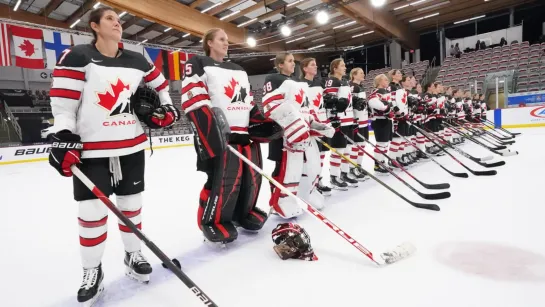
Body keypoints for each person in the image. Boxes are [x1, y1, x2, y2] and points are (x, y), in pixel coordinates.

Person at [47, 7, 180, 305]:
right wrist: (64, 134)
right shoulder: (77, 57)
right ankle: (92, 271)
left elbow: (162, 88)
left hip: (131, 148)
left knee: (132, 207)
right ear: (94, 26)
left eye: (117, 19)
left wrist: (168, 108)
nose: (116, 22)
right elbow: (64, 105)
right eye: (109, 18)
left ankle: (133, 256)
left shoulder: (137, 60)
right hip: (92, 153)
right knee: (91, 215)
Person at [181, 28, 272, 244]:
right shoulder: (198, 63)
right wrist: (211, 130)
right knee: (219, 180)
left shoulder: (239, 69)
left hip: (242, 135)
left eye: (227, 39)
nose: (226, 43)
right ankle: (211, 220)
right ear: (209, 42)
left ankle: (243, 212)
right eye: (222, 39)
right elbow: (194, 96)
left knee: (249, 178)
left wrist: (261, 122)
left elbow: (247, 101)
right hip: (217, 134)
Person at [263, 53, 317, 218]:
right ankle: (276, 201)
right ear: (280, 64)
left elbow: (303, 107)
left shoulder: (296, 83)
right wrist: (290, 124)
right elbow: (270, 107)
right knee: (280, 168)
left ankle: (290, 198)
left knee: (294, 169)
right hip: (281, 132)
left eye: (294, 61)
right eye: (290, 61)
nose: (294, 64)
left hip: (299, 134)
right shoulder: (274, 79)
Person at [298, 58, 335, 206]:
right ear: (305, 68)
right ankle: (312, 183)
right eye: (312, 65)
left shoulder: (320, 82)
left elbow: (322, 102)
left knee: (321, 154)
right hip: (311, 124)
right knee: (310, 156)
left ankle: (318, 180)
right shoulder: (300, 84)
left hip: (323, 122)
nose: (316, 66)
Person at [323, 58, 358, 188]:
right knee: (339, 149)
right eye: (342, 66)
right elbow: (329, 102)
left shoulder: (344, 82)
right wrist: (333, 119)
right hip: (339, 121)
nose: (345, 68)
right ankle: (334, 177)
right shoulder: (332, 81)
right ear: (335, 68)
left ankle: (344, 173)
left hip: (348, 119)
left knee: (347, 148)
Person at [368, 74, 393, 174]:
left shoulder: (386, 91)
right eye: (385, 80)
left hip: (387, 120)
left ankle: (383, 161)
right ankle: (378, 164)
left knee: (385, 143)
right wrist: (385, 107)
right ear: (379, 82)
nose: (387, 81)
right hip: (379, 120)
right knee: (381, 143)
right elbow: (372, 102)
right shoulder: (377, 92)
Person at [348, 67, 369, 181]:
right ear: (354, 75)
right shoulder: (352, 87)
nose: (363, 74)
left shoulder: (360, 87)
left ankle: (358, 166)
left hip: (363, 119)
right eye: (361, 73)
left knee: (362, 145)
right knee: (356, 145)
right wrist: (354, 119)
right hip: (357, 120)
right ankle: (352, 168)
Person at [387, 69, 410, 167]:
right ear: (393, 76)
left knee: (402, 138)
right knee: (396, 138)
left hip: (403, 115)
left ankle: (399, 156)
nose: (401, 75)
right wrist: (396, 110)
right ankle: (392, 159)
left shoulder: (399, 86)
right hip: (397, 117)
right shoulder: (391, 86)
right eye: (398, 73)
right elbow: (391, 100)